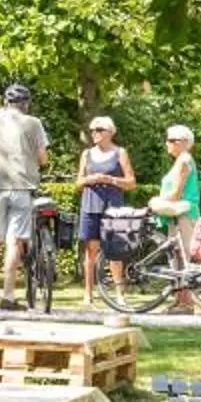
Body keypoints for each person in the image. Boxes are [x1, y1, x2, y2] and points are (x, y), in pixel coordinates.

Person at [0, 81, 49, 309]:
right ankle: (8, 295)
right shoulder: (34, 123)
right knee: (15, 242)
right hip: (22, 187)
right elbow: (43, 157)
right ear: (27, 103)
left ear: (5, 101)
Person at [74, 115, 136, 302]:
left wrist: (112, 180)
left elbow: (131, 183)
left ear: (110, 132)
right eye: (92, 130)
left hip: (113, 208)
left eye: (99, 130)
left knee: (115, 250)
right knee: (90, 250)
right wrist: (89, 179)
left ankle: (119, 293)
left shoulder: (120, 153)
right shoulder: (87, 154)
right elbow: (78, 182)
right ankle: (88, 292)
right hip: (90, 205)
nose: (95, 133)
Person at [145, 124, 201, 310]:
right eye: (168, 140)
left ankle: (186, 302)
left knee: (183, 257)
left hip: (184, 214)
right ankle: (180, 300)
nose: (167, 143)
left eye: (172, 140)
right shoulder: (181, 159)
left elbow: (176, 193)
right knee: (177, 257)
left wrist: (156, 201)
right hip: (178, 214)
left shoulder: (184, 160)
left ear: (185, 142)